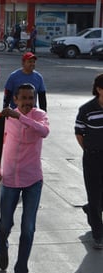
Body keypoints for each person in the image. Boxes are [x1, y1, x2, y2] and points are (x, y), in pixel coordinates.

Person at [0, 83, 50, 273]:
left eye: (31, 98)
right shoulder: (6, 118)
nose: (28, 102)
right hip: (10, 178)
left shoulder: (39, 115)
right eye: (24, 98)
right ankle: (1, 245)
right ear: (15, 99)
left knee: (28, 227)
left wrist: (20, 117)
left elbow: (44, 132)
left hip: (33, 179)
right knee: (5, 224)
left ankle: (21, 266)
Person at [75, 73, 103, 249]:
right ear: (99, 90)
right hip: (92, 156)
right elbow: (79, 133)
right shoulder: (87, 109)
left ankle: (90, 209)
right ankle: (98, 234)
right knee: (94, 194)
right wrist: (89, 150)